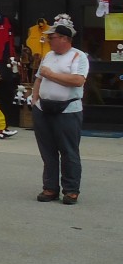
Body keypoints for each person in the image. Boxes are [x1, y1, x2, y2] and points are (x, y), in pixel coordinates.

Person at [29, 14, 90, 205]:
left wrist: (51, 75)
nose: (49, 40)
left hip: (68, 110)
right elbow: (39, 77)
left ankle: (71, 190)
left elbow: (78, 80)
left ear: (64, 38)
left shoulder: (79, 57)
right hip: (43, 109)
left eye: (52, 37)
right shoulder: (48, 55)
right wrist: (34, 99)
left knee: (69, 151)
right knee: (47, 151)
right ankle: (50, 188)